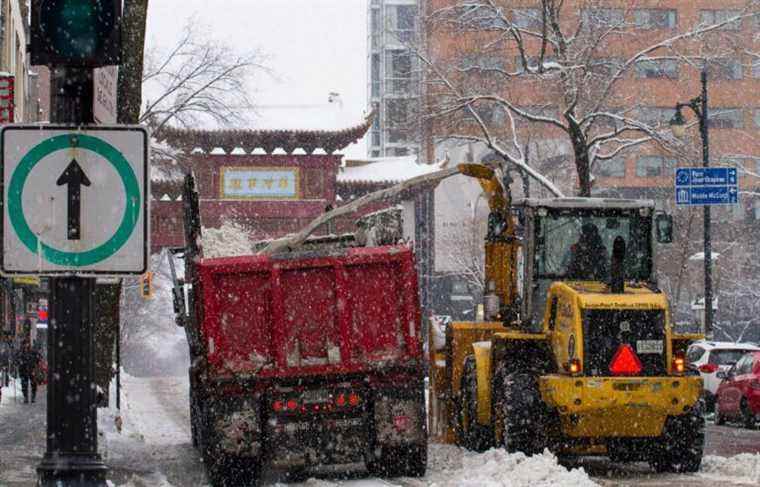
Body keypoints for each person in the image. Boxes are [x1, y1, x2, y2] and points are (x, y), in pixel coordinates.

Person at [15, 339, 41, 404]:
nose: (26, 345)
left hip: (31, 370)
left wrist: (36, 362)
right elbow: (16, 359)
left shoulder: (32, 351)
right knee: (24, 385)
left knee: (33, 384)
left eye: (27, 343)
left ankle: (33, 396)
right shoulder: (20, 352)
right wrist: (18, 362)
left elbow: (38, 358)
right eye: (24, 344)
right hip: (23, 370)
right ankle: (25, 397)